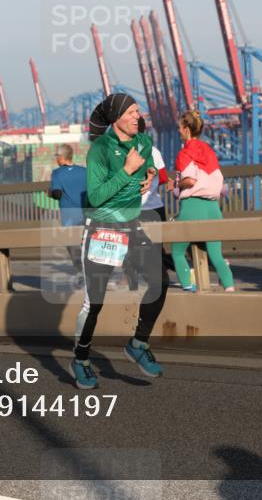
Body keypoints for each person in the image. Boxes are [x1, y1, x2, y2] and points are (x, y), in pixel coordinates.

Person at [72, 93, 169, 390]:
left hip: (132, 226)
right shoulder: (99, 150)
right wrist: (127, 170)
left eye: (138, 111)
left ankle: (138, 343)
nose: (137, 117)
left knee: (160, 282)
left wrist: (148, 175)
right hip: (103, 229)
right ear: (115, 118)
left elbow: (143, 175)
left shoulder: (143, 142)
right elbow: (97, 196)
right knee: (96, 302)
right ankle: (81, 358)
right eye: (130, 112)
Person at [170, 110, 235, 293]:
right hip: (213, 208)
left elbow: (190, 181)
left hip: (192, 207)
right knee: (215, 254)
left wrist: (176, 185)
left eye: (179, 128)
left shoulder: (184, 153)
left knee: (177, 251)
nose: (178, 131)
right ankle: (229, 287)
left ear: (185, 129)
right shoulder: (209, 151)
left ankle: (188, 287)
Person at [122, 117, 174, 291]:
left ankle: (133, 283)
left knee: (131, 247)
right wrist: (151, 185)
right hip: (156, 206)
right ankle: (163, 279)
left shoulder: (127, 152)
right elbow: (165, 178)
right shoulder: (155, 151)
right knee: (157, 247)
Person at [49, 144, 87, 277]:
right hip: (86, 212)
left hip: (69, 215)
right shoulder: (84, 171)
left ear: (61, 157)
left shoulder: (57, 173)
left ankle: (80, 272)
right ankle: (89, 271)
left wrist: (50, 193)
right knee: (86, 243)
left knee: (71, 244)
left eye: (56, 156)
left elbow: (57, 194)